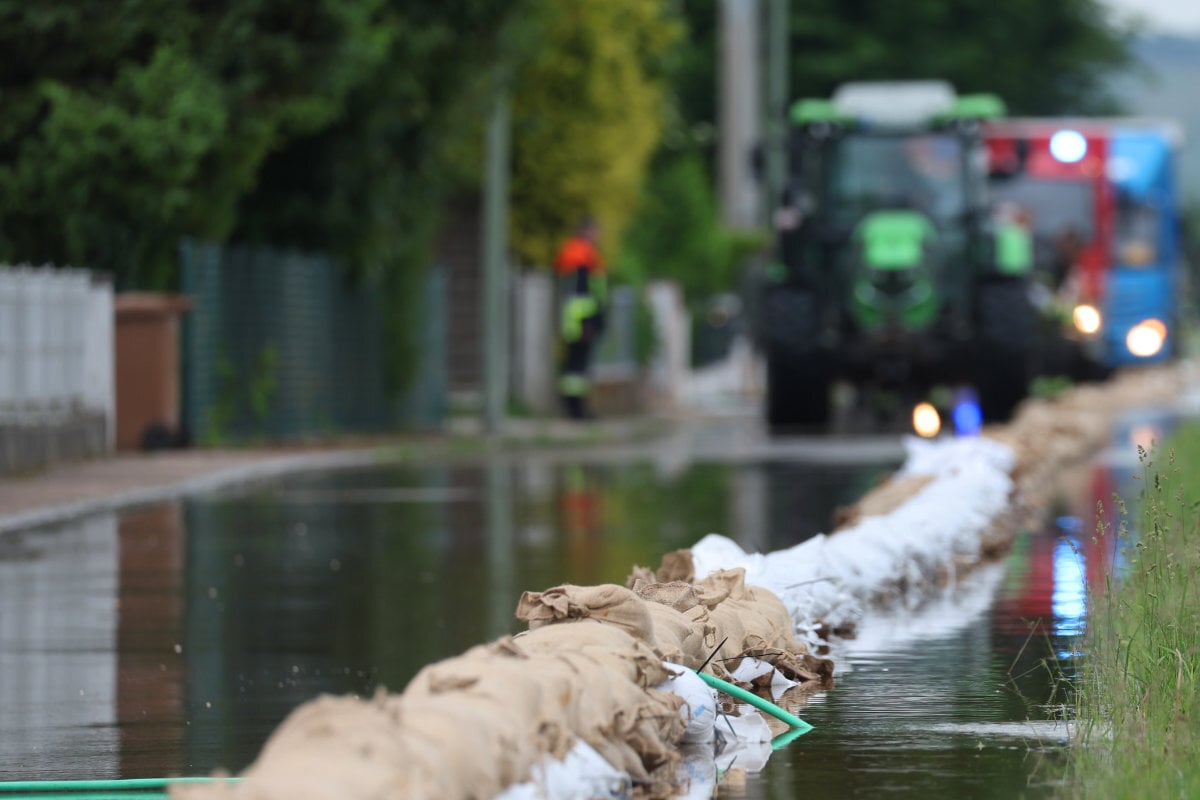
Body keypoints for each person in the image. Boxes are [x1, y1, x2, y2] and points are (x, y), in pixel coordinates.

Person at [554, 217, 607, 420]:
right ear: (586, 231)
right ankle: (576, 411)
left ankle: (577, 410)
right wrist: (588, 323)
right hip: (580, 321)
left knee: (576, 367)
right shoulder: (581, 255)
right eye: (596, 231)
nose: (599, 236)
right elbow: (582, 294)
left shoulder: (577, 253)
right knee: (576, 367)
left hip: (577, 320)